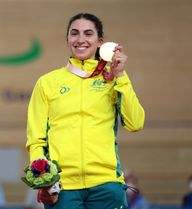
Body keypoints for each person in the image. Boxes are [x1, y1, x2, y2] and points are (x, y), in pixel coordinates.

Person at [26, 13, 145, 209]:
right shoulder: (47, 83)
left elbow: (135, 123)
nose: (80, 39)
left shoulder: (113, 78)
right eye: (75, 34)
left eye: (88, 34)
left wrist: (121, 75)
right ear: (67, 40)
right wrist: (45, 180)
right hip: (63, 188)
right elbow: (36, 139)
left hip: (107, 185)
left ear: (100, 42)